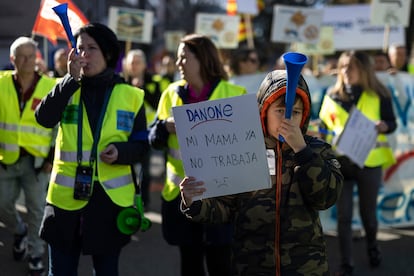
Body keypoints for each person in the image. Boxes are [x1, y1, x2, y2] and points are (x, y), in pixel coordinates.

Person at [179, 69, 344, 275]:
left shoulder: (318, 150)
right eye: (280, 111)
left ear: (305, 115)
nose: (288, 120)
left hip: (306, 267)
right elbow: (226, 209)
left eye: (295, 112)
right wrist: (193, 201)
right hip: (251, 265)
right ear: (263, 112)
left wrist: (303, 152)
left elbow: (325, 199)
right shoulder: (244, 149)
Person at [35, 23, 149, 275]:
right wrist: (68, 81)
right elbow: (43, 119)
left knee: (106, 271)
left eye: (91, 48)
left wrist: (121, 152)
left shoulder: (131, 95)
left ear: (107, 53)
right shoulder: (64, 87)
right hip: (65, 202)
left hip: (109, 202)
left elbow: (142, 145)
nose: (83, 54)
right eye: (79, 48)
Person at [149, 33, 247, 276]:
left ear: (203, 59)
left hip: (222, 197)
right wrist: (163, 127)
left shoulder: (234, 92)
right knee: (190, 264)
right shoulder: (170, 93)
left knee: (221, 264)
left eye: (184, 57)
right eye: (178, 57)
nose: (179, 62)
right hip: (182, 196)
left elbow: (247, 145)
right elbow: (153, 139)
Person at [318, 50, 397, 275]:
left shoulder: (379, 94)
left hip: (369, 163)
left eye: (350, 67)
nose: (345, 71)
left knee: (368, 215)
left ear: (364, 70)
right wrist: (319, 132)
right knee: (344, 217)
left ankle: (373, 247)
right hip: (341, 164)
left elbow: (392, 123)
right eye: (342, 67)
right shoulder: (331, 95)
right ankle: (346, 263)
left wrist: (385, 126)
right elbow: (324, 128)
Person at [0, 36, 57, 275]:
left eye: (31, 56)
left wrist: (51, 157)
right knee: (2, 205)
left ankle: (35, 254)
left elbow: (58, 126)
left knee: (36, 210)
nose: (26, 61)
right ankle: (18, 229)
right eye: (21, 56)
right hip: (6, 159)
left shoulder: (50, 86)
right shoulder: (1, 84)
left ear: (37, 58)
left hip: (37, 162)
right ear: (12, 59)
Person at [123, 49, 171, 209]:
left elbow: (158, 103)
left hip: (148, 133)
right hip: (128, 133)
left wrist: (143, 89)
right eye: (132, 62)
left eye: (138, 62)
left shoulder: (154, 82)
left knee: (147, 171)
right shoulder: (122, 83)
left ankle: (144, 202)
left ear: (144, 65)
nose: (134, 65)